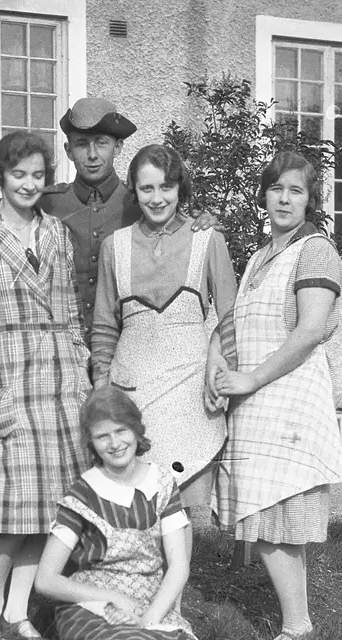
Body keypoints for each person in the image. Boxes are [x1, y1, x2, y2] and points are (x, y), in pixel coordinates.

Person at [0, 386, 206, 640]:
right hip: (92, 605)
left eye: (121, 430)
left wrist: (152, 617)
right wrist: (111, 598)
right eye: (102, 436)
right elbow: (46, 580)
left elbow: (178, 567)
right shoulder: (83, 493)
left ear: (137, 430)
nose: (115, 443)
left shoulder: (161, 484)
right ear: (90, 442)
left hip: (148, 603)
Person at [0, 130, 91, 640]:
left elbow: (70, 312)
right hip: (7, 375)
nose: (28, 184)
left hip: (59, 381)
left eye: (37, 175)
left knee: (47, 505)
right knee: (11, 503)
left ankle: (18, 609)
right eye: (18, 174)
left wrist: (81, 368)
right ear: (0, 176)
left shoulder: (56, 231)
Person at [213, 151, 342, 640]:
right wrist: (222, 368)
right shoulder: (259, 256)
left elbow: (310, 330)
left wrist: (251, 379)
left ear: (310, 199)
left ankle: (298, 624)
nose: (285, 199)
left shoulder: (315, 250)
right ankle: (298, 621)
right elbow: (237, 324)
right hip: (258, 398)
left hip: (289, 397)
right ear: (264, 195)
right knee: (267, 512)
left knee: (278, 511)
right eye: (276, 189)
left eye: (296, 190)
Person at [0, 98, 218, 344]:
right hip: (61, 347)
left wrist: (203, 223)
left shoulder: (142, 204)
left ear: (118, 147)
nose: (92, 154)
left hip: (124, 346)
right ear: (68, 150)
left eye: (102, 143)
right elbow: (9, 216)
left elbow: (180, 233)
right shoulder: (47, 204)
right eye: (82, 144)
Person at [90, 143, 236, 516]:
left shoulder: (208, 239)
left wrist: (222, 373)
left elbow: (232, 318)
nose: (157, 199)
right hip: (133, 394)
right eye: (147, 188)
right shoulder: (114, 247)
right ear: (134, 191)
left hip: (191, 396)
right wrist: (103, 393)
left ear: (179, 187)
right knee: (135, 511)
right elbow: (104, 328)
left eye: (166, 187)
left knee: (182, 515)